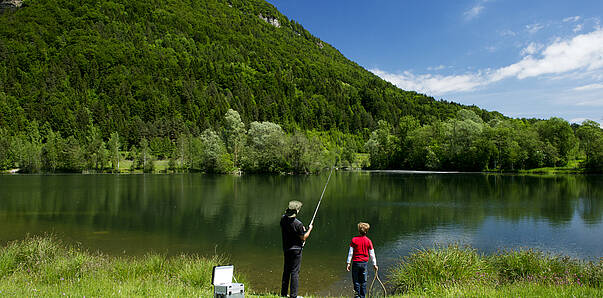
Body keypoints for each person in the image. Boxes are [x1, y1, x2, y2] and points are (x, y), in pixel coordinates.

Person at [280, 200, 313, 298]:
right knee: (294, 272)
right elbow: (303, 237)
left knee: (286, 270)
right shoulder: (298, 224)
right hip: (296, 250)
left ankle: (283, 293)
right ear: (296, 212)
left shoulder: (282, 219)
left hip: (286, 248)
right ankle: (293, 296)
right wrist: (310, 229)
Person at [346, 222, 377, 298]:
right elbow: (372, 254)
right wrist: (374, 264)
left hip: (356, 263)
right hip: (364, 264)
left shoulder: (354, 240)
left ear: (359, 231)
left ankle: (357, 296)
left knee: (356, 281)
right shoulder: (368, 241)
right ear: (366, 231)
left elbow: (350, 253)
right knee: (363, 281)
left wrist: (348, 263)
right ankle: (362, 296)